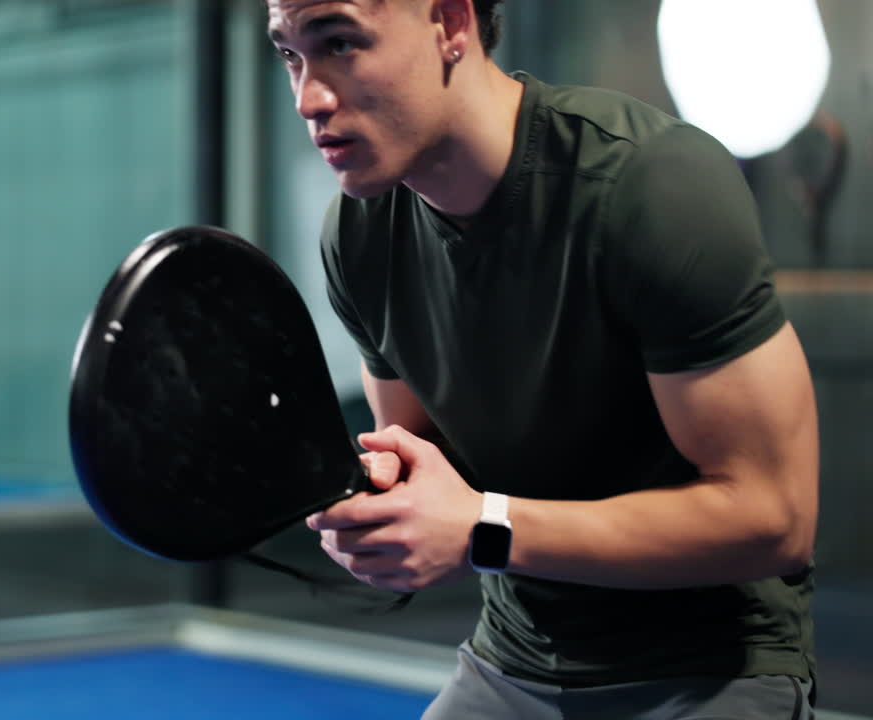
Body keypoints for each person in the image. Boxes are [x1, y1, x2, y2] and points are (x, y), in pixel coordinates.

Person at [265, 0, 819, 717]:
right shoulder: (360, 234)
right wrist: (373, 516)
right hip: (512, 659)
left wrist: (484, 529)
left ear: (450, 24)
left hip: (706, 668)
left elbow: (774, 517)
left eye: (340, 43)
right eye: (290, 55)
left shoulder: (650, 185)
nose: (309, 96)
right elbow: (421, 470)